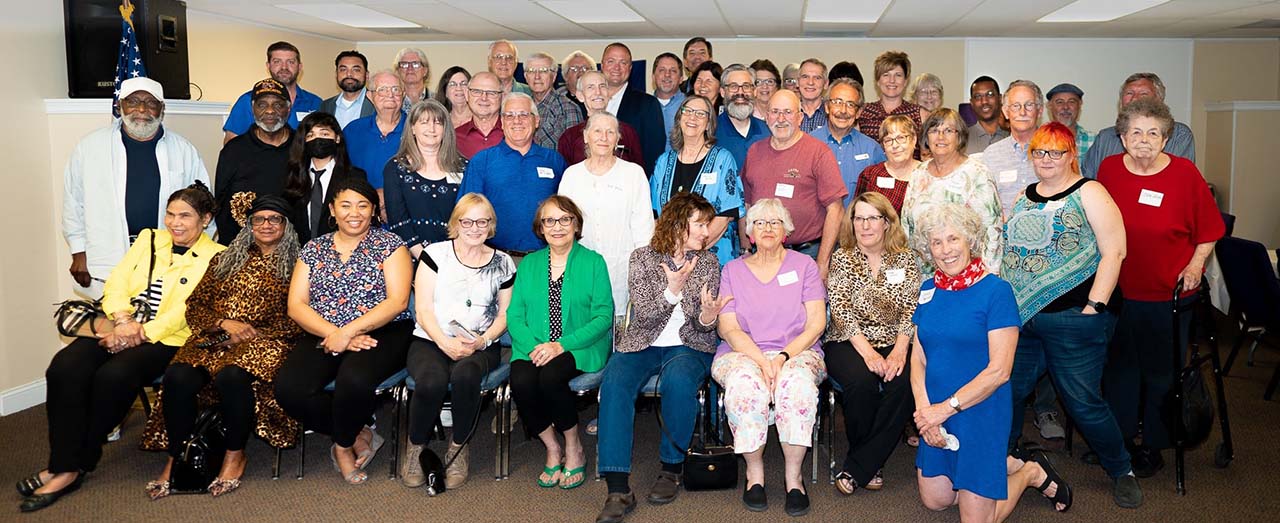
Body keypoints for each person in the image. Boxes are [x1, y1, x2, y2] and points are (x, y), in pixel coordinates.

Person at [20, 184, 223, 512]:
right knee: (64, 367)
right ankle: (63, 463)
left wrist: (139, 333)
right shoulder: (149, 239)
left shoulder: (217, 256)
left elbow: (189, 310)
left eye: (185, 216)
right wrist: (122, 319)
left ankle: (74, 466)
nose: (175, 222)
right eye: (170, 214)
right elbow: (117, 282)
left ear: (206, 219)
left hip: (165, 338)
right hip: (120, 322)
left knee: (115, 376)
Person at [1002, 122, 1141, 508]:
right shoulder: (1026, 196)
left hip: (1075, 319)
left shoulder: (1090, 191)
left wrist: (1093, 307)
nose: (1046, 160)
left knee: (1081, 401)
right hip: (1025, 318)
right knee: (1010, 389)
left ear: (1070, 155)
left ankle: (1121, 469)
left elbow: (1115, 251)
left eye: (1056, 152)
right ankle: (1009, 456)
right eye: (1039, 152)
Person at [910, 203, 1071, 522]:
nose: (946, 250)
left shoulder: (996, 291)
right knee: (936, 500)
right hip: (936, 410)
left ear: (971, 240)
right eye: (937, 242)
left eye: (953, 239)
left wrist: (944, 409)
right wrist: (926, 414)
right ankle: (1006, 462)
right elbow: (918, 358)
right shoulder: (928, 290)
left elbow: (999, 371)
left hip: (979, 410)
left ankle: (1030, 473)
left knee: (978, 520)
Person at [141, 194, 302, 499]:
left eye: (274, 219)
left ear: (286, 225)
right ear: (249, 224)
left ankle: (234, 454)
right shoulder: (224, 259)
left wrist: (249, 333)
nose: (265, 225)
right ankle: (176, 458)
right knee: (177, 377)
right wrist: (224, 325)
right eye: (258, 219)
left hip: (267, 340)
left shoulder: (300, 263)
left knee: (232, 376)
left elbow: (300, 317)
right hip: (214, 336)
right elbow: (195, 306)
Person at [1099, 98, 1224, 487]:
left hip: (1167, 296)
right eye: (1136, 132)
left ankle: (1153, 444)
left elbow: (1209, 228)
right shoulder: (1109, 170)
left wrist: (1195, 264)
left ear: (1166, 138)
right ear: (1121, 137)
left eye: (1154, 133)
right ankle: (1118, 442)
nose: (1144, 140)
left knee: (1159, 374)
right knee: (1119, 372)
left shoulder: (1184, 174)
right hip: (1120, 293)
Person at [594, 193, 730, 522]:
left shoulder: (710, 262)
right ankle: (617, 487)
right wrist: (672, 289)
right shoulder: (641, 258)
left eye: (706, 224)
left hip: (690, 345)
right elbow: (642, 316)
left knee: (679, 381)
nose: (706, 231)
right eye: (699, 224)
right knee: (614, 381)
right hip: (643, 342)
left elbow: (701, 323)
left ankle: (671, 470)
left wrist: (710, 317)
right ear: (678, 224)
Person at [273, 177, 414, 485]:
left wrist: (347, 332)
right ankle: (356, 430)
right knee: (289, 389)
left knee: (355, 379)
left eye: (363, 205)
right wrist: (335, 334)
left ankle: (341, 446)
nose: (355, 212)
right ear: (332, 210)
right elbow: (296, 306)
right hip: (322, 331)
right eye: (346, 205)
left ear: (374, 211)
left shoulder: (391, 245)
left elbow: (398, 301)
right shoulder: (313, 248)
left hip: (385, 331)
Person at [714, 198, 827, 517]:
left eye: (775, 222)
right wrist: (763, 361)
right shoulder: (732, 270)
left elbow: (817, 322)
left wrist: (783, 357)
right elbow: (728, 327)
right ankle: (755, 474)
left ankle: (794, 478)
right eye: (759, 223)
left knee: (797, 387)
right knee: (745, 387)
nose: (767, 228)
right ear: (749, 232)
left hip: (799, 351)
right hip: (742, 352)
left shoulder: (804, 266)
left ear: (786, 231)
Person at [402, 194, 515, 489]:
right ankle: (415, 447)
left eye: (482, 221)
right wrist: (444, 342)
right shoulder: (435, 254)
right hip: (431, 340)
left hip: (480, 344)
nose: (475, 228)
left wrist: (483, 340)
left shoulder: (503, 263)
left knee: (466, 376)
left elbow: (505, 315)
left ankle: (458, 446)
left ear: (491, 225)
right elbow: (423, 308)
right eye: (467, 221)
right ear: (456, 223)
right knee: (430, 380)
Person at [63, 76, 210, 298]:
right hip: (106, 253)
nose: (141, 109)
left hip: (167, 256)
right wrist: (78, 251)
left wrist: (193, 254)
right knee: (112, 320)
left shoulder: (184, 150)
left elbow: (204, 205)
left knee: (159, 323)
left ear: (162, 109)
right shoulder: (90, 147)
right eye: (132, 101)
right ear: (119, 105)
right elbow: (74, 201)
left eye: (151, 103)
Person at [507, 195, 613, 490]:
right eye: (549, 221)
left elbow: (604, 317)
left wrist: (559, 345)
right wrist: (533, 347)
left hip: (579, 345)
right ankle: (552, 447)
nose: (557, 227)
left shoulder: (593, 262)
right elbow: (515, 315)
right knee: (523, 381)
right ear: (540, 228)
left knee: (551, 377)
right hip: (533, 345)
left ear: (576, 224)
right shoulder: (529, 264)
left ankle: (573, 445)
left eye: (564, 219)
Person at [824, 192, 920, 495]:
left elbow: (912, 307)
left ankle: (860, 464)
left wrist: (900, 350)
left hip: (896, 339)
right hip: (847, 340)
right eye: (859, 218)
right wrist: (867, 353)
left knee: (904, 382)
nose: (865, 225)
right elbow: (840, 309)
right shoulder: (842, 256)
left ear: (887, 222)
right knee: (862, 382)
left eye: (872, 218)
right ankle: (870, 462)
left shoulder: (905, 258)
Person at [741, 91, 847, 278]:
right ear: (766, 117)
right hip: (762, 256)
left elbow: (836, 210)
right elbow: (746, 205)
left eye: (788, 112)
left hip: (807, 254)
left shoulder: (818, 152)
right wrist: (746, 249)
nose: (781, 119)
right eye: (775, 112)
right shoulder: (754, 152)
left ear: (799, 118)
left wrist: (822, 263)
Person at [559, 112, 655, 313]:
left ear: (618, 138)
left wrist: (643, 275)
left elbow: (644, 230)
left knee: (618, 332)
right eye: (597, 131)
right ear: (586, 136)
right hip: (580, 270)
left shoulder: (633, 174)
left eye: (610, 132)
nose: (604, 137)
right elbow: (562, 228)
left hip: (623, 271)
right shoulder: (572, 176)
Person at [457, 93, 567, 259]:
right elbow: (465, 213)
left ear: (536, 121)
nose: (517, 121)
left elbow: (566, 214)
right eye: (509, 115)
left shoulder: (554, 161)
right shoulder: (482, 161)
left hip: (545, 259)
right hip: (494, 258)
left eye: (524, 114)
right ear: (502, 122)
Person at [901, 108, 1004, 275]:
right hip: (926, 276)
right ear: (927, 137)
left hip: (970, 277)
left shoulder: (978, 173)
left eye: (948, 130)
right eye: (934, 130)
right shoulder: (918, 173)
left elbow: (993, 231)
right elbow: (907, 227)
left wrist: (987, 278)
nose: (941, 137)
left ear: (960, 136)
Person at [654, 95, 745, 266]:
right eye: (687, 111)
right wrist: (673, 254)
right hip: (669, 259)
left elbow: (726, 215)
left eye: (700, 114)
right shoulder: (663, 162)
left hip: (711, 258)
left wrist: (691, 253)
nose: (692, 117)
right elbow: (655, 215)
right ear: (679, 117)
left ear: (709, 124)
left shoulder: (723, 160)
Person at [214, 79, 295, 245]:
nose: (270, 111)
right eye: (262, 105)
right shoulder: (233, 151)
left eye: (278, 105)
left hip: (293, 248)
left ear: (288, 109)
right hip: (243, 248)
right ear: (253, 109)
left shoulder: (302, 147)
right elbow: (221, 203)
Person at [384, 100, 465, 257]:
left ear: (446, 129)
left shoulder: (464, 167)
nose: (432, 129)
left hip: (456, 256)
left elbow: (468, 216)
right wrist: (424, 258)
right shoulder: (395, 168)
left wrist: (454, 257)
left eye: (438, 123)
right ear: (413, 128)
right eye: (424, 122)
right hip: (411, 256)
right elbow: (398, 220)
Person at [1083, 72, 1196, 178]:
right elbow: (1088, 179)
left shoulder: (1179, 135)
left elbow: (1178, 179)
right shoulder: (1105, 137)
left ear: (1159, 100)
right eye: (1129, 93)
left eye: (1143, 93)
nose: (1135, 98)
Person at [283, 112, 368, 244]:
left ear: (337, 138)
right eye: (310, 135)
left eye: (324, 134)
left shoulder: (354, 176)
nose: (317, 139)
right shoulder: (293, 175)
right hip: (301, 255)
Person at [222, 42, 321, 143]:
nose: (284, 67)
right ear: (268, 66)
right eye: (277, 62)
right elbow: (231, 144)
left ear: (300, 67)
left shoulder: (316, 102)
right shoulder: (248, 100)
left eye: (290, 62)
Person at [811, 78, 888, 207]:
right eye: (837, 102)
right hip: (817, 226)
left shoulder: (872, 149)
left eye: (850, 104)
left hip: (858, 225)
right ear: (827, 107)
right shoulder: (808, 144)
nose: (843, 111)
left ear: (858, 112)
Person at [983, 80, 1046, 216]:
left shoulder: (1056, 152)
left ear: (1040, 111)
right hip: (1004, 234)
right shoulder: (991, 155)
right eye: (1016, 106)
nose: (1022, 112)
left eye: (1029, 105)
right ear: (1006, 112)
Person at [601, 42, 666, 173]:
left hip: (629, 182)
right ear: (602, 66)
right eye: (611, 61)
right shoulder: (588, 102)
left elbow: (654, 153)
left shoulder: (648, 104)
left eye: (623, 63)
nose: (616, 67)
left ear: (630, 68)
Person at [557, 70, 645, 167]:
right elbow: (566, 176)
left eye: (602, 86)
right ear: (580, 96)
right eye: (590, 87)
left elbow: (638, 173)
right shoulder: (570, 137)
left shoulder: (627, 132)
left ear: (608, 93)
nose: (598, 92)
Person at [344, 70, 406, 205]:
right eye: (382, 90)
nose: (390, 95)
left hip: (406, 208)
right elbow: (342, 174)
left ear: (403, 94)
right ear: (370, 96)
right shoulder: (353, 131)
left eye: (396, 89)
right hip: (362, 210)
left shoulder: (417, 129)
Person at [855, 51, 929, 148]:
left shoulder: (920, 115)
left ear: (906, 81)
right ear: (877, 81)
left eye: (898, 75)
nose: (892, 80)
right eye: (886, 75)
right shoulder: (862, 112)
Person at [854, 115, 919, 214]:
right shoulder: (870, 175)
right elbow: (858, 215)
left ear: (914, 140)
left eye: (901, 138)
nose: (895, 145)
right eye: (888, 140)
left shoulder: (929, 174)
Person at [715, 64, 770, 174]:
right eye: (733, 86)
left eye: (746, 86)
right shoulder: (710, 132)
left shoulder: (768, 131)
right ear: (722, 92)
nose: (740, 92)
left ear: (754, 91)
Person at [528, 52, 584, 150]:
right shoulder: (522, 107)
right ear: (525, 76)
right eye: (532, 71)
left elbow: (575, 151)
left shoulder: (568, 108)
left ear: (553, 76)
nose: (537, 76)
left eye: (543, 71)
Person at [318, 50, 374, 130]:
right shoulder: (325, 106)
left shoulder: (377, 104)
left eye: (356, 70)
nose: (349, 74)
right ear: (336, 74)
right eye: (343, 70)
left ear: (367, 75)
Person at [455, 72, 505, 158]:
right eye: (477, 91)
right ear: (467, 95)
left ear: (502, 97)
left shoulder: (515, 133)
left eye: (491, 93)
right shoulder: (454, 137)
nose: (484, 98)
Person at [1046, 83, 1092, 165]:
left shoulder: (1094, 141)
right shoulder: (1038, 140)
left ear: (1080, 104)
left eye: (1071, 102)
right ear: (1049, 105)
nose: (1066, 107)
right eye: (1059, 102)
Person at [967, 76, 1009, 155]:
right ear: (971, 103)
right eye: (978, 96)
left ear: (1000, 98)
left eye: (990, 94)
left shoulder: (1014, 136)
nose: (984, 102)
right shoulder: (961, 138)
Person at [652, 52, 686, 137]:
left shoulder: (689, 105)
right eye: (662, 70)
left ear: (681, 79)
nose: (667, 74)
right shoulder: (643, 106)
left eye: (673, 71)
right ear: (653, 77)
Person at [796, 59, 830, 133]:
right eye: (805, 77)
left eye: (817, 78)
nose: (810, 82)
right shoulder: (787, 113)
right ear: (798, 82)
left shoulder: (832, 114)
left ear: (826, 84)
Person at [558, 50, 595, 117]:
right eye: (575, 69)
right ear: (565, 76)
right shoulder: (558, 101)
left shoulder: (600, 97)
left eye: (585, 68)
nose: (581, 72)